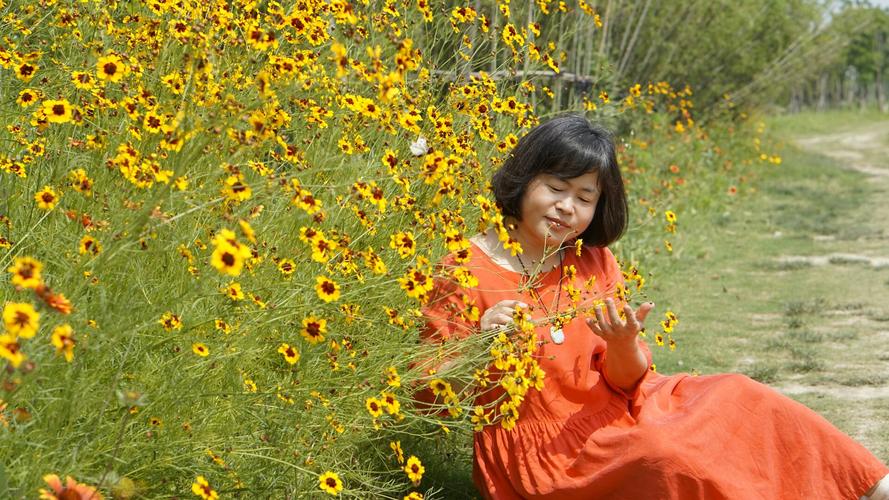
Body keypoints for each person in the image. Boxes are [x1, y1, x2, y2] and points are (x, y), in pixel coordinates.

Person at [416, 114, 889, 499]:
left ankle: (870, 486)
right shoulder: (462, 269)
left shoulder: (593, 259)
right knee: (664, 450)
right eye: (556, 188)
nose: (566, 207)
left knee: (740, 394)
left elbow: (627, 380)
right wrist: (480, 347)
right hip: (546, 453)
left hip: (624, 409)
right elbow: (426, 399)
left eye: (584, 198)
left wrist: (623, 342)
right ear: (522, 180)